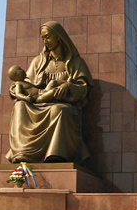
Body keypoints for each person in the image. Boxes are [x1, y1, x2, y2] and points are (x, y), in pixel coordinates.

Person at [6, 21, 94, 164]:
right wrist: (15, 89)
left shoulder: (75, 62)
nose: (45, 41)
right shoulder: (38, 62)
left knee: (59, 110)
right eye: (43, 38)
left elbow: (84, 88)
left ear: (59, 37)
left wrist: (68, 87)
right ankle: (23, 153)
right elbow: (26, 84)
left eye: (48, 37)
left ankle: (56, 154)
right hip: (37, 102)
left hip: (61, 104)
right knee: (19, 107)